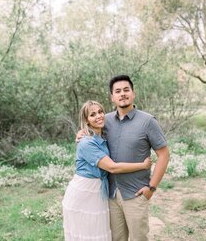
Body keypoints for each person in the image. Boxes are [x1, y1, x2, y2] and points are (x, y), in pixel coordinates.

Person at [79, 75, 170, 241]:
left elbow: (164, 154)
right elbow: (89, 131)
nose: (122, 94)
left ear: (133, 93)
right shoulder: (104, 120)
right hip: (111, 194)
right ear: (112, 97)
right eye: (118, 91)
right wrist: (81, 133)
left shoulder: (148, 121)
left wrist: (151, 188)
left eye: (126, 90)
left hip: (136, 194)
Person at [62, 100, 152, 241]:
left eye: (100, 112)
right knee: (87, 235)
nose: (98, 116)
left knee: (100, 233)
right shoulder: (87, 142)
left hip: (99, 192)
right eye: (92, 114)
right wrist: (143, 165)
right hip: (84, 192)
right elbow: (112, 167)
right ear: (87, 120)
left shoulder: (102, 135)